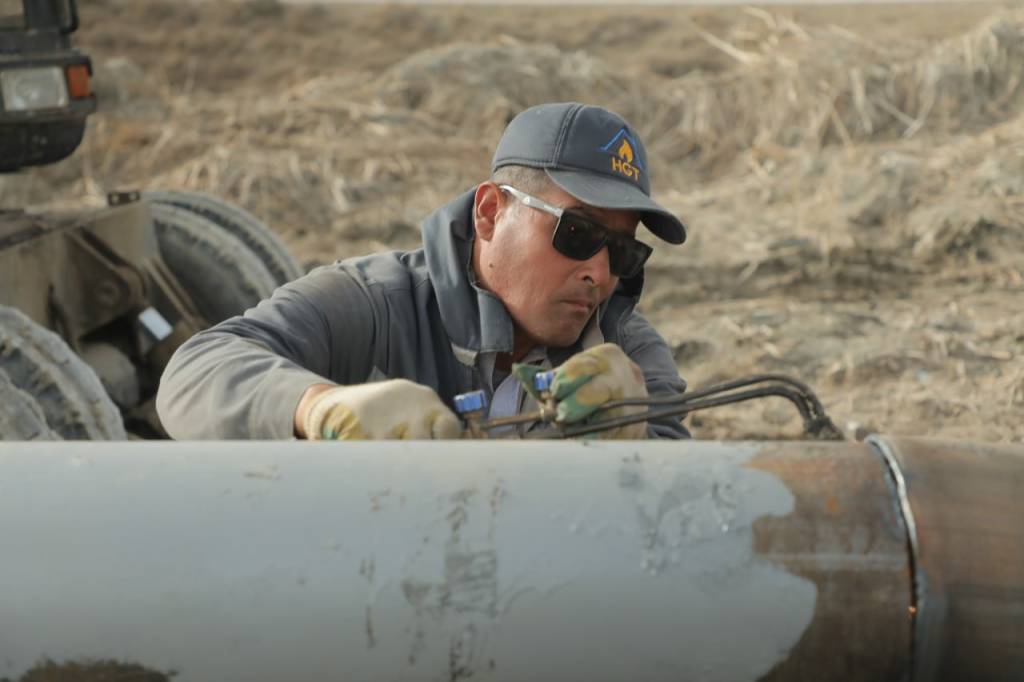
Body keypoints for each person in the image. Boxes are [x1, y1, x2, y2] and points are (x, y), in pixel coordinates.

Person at [156, 102, 689, 440]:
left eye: (623, 253)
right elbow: (197, 371)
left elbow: (677, 517)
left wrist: (635, 437)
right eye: (578, 233)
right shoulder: (377, 304)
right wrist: (321, 407)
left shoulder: (629, 360)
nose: (599, 272)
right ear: (490, 212)